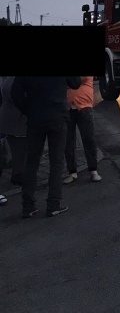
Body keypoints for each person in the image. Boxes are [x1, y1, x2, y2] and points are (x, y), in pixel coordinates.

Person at [12, 76, 81, 218]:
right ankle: (53, 204)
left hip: (35, 118)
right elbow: (75, 83)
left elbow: (15, 93)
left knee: (31, 162)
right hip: (57, 117)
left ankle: (28, 206)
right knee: (56, 162)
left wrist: (28, 109)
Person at [63, 76, 101, 184]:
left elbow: (77, 81)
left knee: (88, 139)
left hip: (84, 106)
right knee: (68, 141)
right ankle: (72, 172)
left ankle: (93, 170)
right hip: (68, 107)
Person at [0, 75, 27, 187]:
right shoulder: (14, 80)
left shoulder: (9, 80)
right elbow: (18, 98)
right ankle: (19, 175)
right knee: (20, 149)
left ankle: (19, 173)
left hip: (11, 119)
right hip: (16, 120)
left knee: (19, 150)